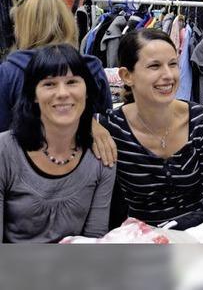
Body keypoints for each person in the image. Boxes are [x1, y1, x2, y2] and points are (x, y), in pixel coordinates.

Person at [98, 29, 203, 228]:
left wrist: (170, 232)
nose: (168, 75)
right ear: (127, 76)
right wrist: (89, 125)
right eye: (154, 66)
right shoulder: (110, 128)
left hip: (197, 238)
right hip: (138, 243)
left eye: (173, 64)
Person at [0, 44, 116, 243]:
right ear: (33, 95)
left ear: (86, 91)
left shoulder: (101, 154)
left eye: (72, 82)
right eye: (49, 84)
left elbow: (94, 241)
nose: (62, 93)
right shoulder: (5, 152)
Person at [0, 0, 112, 133]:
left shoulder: (9, 72)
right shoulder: (91, 67)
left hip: (21, 152)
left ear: (24, 28)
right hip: (83, 150)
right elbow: (105, 118)